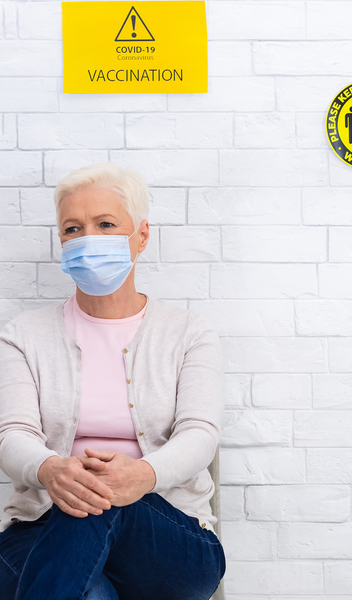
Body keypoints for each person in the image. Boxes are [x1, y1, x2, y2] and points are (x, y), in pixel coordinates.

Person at [0, 163, 225, 600]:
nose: (88, 239)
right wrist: (52, 470)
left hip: (169, 538)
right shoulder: (21, 336)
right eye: (72, 228)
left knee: (90, 495)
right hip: (39, 530)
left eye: (105, 224)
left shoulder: (189, 334)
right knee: (87, 554)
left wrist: (142, 474)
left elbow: (200, 434)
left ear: (140, 236)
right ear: (61, 242)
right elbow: (13, 436)